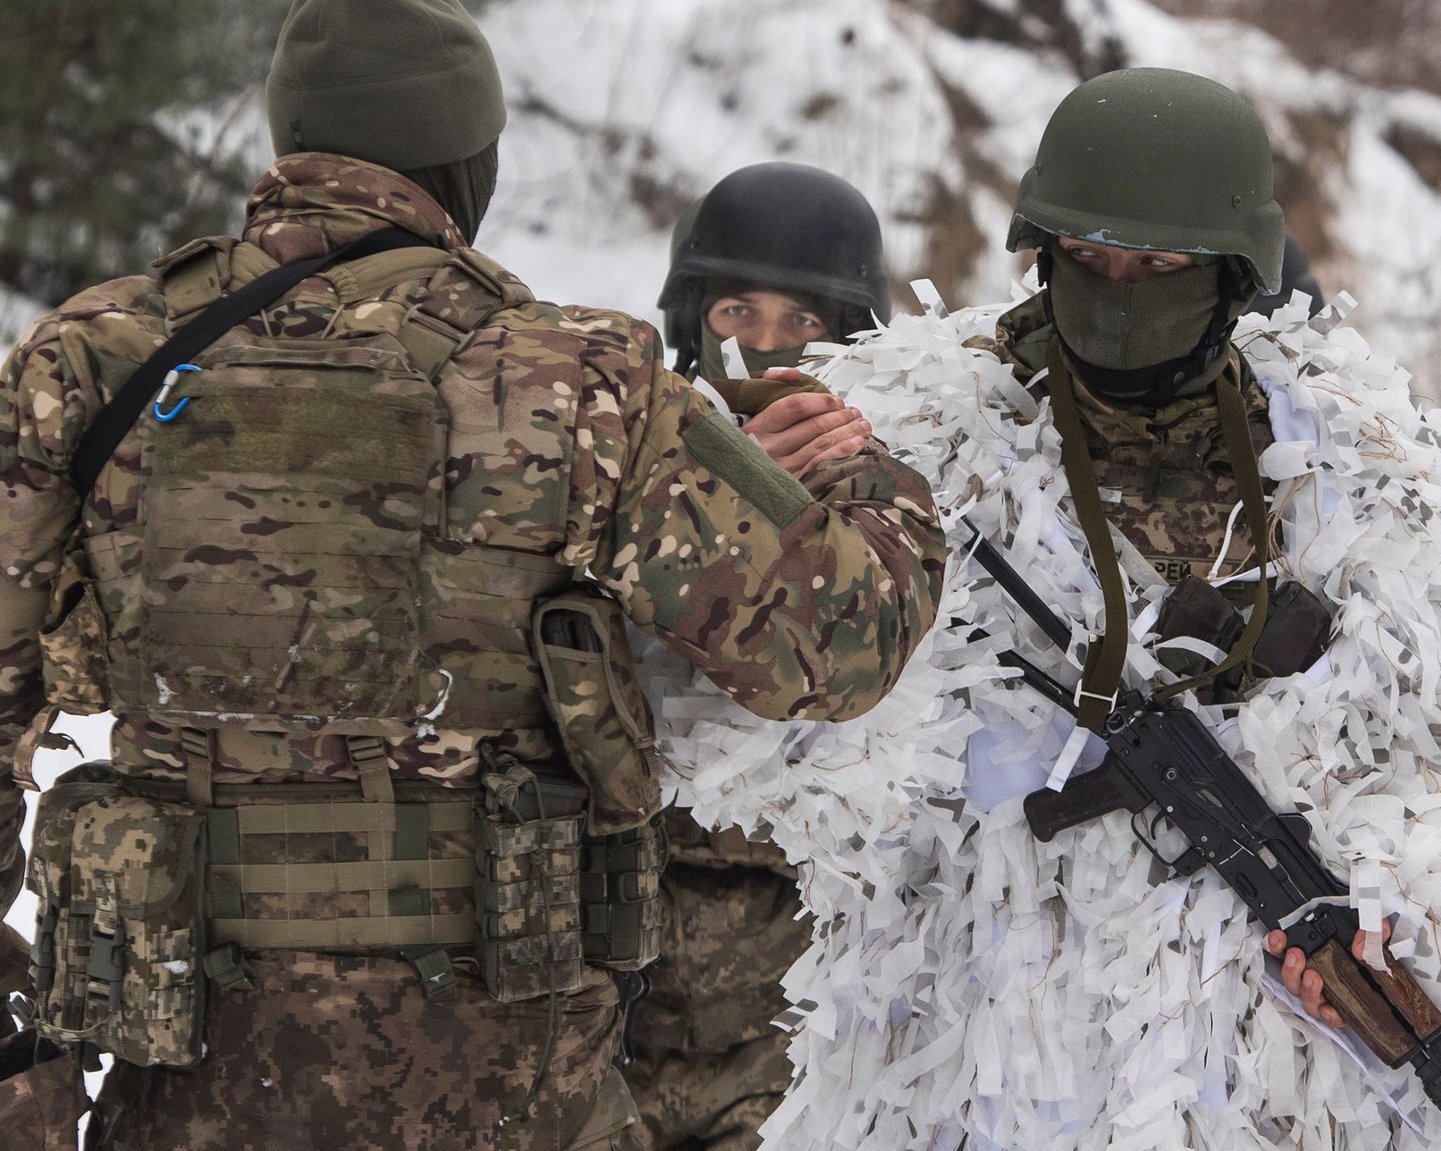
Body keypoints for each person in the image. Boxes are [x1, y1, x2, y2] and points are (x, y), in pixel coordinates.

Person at [0, 1, 946, 1147]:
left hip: (192, 1068)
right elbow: (837, 647)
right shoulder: (577, 378)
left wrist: (24, 1051)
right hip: (511, 1079)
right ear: (475, 163)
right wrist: (865, 467)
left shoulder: (91, 361)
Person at [645, 67, 1441, 1150]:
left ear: (1233, 275)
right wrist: (758, 526)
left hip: (1258, 1076)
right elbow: (761, 745)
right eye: (1088, 260)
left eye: (1156, 266)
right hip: (966, 1053)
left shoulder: (1367, 468)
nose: (1117, 290)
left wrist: (1386, 921)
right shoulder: (908, 425)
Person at [629, 161, 896, 1151]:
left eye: (805, 322)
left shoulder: (894, 485)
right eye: (738, 309)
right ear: (692, 315)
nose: (766, 346)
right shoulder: (616, 452)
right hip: (610, 980)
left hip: (802, 1013)